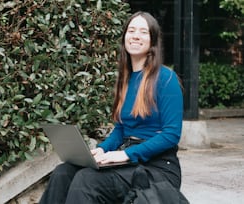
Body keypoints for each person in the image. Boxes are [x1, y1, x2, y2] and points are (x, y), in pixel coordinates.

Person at [39, 11, 184, 204]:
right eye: (131, 30)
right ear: (124, 37)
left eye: (143, 32)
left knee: (87, 180)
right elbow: (121, 129)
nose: (135, 36)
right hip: (130, 158)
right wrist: (102, 150)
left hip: (157, 166)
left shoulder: (166, 78)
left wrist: (125, 154)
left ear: (153, 41)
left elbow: (171, 134)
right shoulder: (125, 79)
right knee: (63, 172)